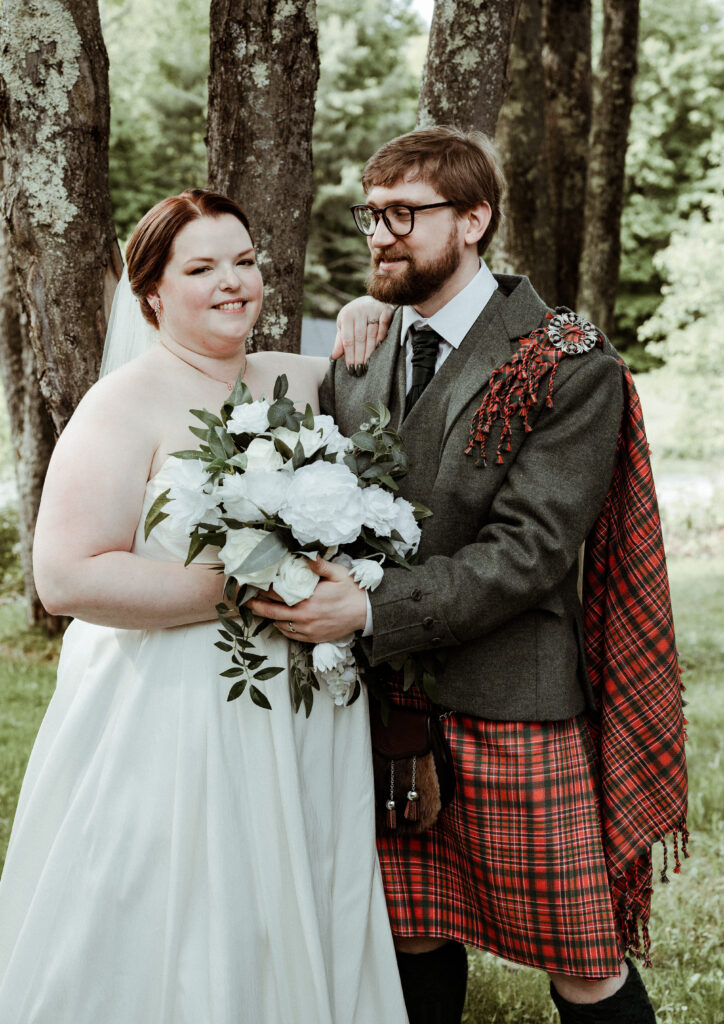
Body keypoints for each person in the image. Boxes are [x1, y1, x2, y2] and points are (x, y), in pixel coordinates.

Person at [249, 127, 688, 1024]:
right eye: (372, 214)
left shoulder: (565, 359)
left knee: (583, 957)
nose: (380, 233)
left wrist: (368, 611)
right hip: (384, 713)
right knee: (409, 935)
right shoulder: (361, 348)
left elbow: (529, 551)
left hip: (509, 701)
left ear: (475, 220)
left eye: (405, 214)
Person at [0, 188, 409, 1024]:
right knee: (186, 902)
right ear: (150, 291)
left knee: (295, 888)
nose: (235, 282)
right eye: (202, 267)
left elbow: (410, 365)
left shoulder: (300, 376)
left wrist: (375, 306)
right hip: (176, 709)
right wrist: (243, 586)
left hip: (304, 707)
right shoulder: (122, 404)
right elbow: (66, 577)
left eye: (246, 261)